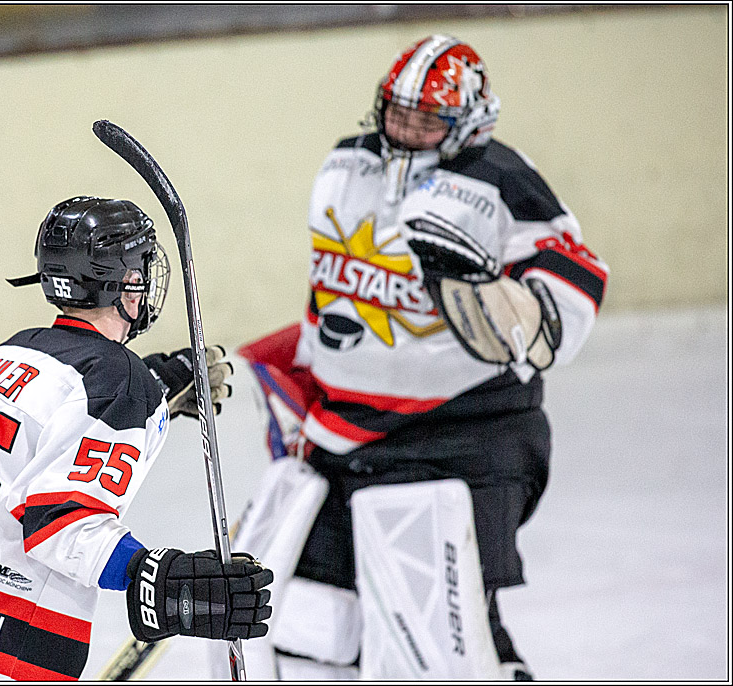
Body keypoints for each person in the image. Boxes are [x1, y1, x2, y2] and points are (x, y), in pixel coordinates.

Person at [235, 35, 609, 680]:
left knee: (446, 614)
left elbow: (563, 314)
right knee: (310, 613)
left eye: (427, 119)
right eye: (396, 113)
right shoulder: (345, 162)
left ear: (469, 120)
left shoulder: (505, 182)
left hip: (462, 429)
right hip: (346, 426)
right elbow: (332, 288)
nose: (406, 131)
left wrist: (480, 292)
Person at [0, 196, 272, 680]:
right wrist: (155, 576)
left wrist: (151, 390)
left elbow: (50, 419)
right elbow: (61, 522)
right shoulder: (119, 379)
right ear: (121, 283)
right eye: (139, 270)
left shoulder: (8, 351)